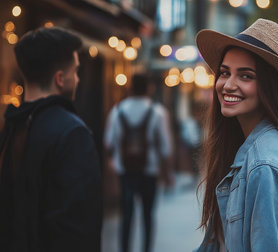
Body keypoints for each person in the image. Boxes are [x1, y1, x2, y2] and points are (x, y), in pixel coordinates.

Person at [195, 18, 278, 251]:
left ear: (271, 88)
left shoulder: (264, 162)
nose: (228, 85)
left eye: (245, 76)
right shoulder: (249, 146)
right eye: (225, 72)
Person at [0, 27, 102, 251]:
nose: (77, 79)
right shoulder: (73, 133)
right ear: (60, 78)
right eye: (75, 72)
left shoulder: (10, 128)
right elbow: (79, 228)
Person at [104, 73, 173, 252]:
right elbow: (165, 147)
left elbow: (109, 142)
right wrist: (167, 173)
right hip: (149, 169)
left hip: (124, 169)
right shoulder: (157, 112)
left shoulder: (117, 111)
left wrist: (112, 162)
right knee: (148, 215)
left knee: (126, 215)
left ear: (131, 87)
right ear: (149, 87)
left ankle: (124, 248)